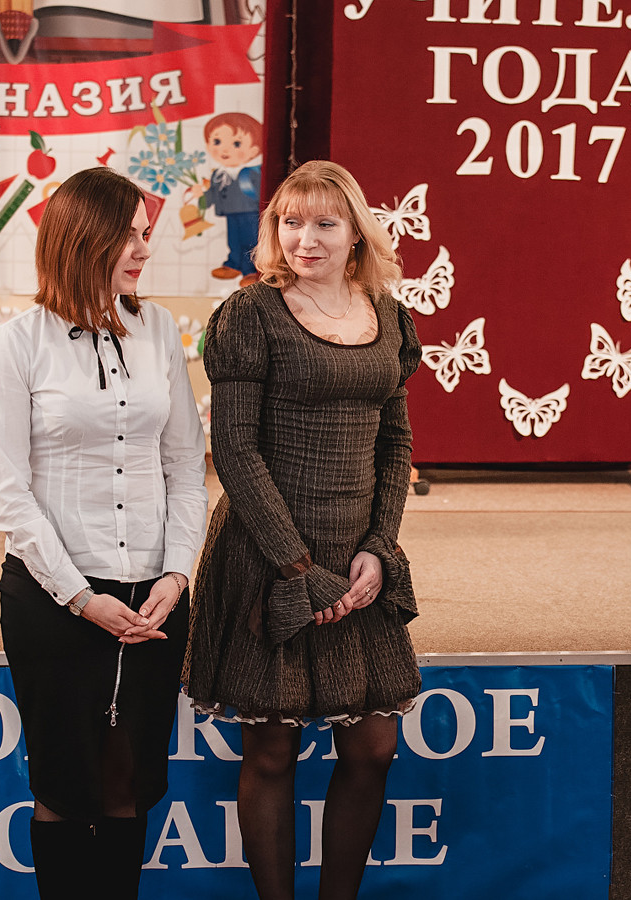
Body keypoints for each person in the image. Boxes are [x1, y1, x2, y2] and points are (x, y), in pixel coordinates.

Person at [184, 159, 421, 900]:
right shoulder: (249, 314)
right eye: (290, 222)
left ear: (356, 233)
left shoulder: (387, 315)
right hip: (269, 555)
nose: (304, 240)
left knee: (373, 747)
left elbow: (395, 443)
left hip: (357, 564)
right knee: (271, 751)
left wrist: (379, 548)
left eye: (324, 223)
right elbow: (235, 450)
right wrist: (297, 567)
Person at [0, 166, 208, 897]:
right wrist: (80, 597)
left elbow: (185, 465)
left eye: (146, 233)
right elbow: (9, 496)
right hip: (54, 600)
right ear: (83, 238)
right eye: (129, 235)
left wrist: (177, 572)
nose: (144, 249)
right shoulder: (16, 343)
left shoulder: (159, 328)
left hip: (153, 598)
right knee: (63, 786)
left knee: (127, 783)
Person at [185, 111, 263, 285]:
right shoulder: (218, 175)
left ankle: (251, 270)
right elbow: (212, 197)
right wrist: (200, 196)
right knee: (233, 240)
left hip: (250, 214)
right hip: (230, 213)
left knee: (251, 241)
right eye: (217, 142)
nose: (225, 150)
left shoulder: (252, 173)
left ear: (254, 150)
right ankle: (233, 264)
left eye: (236, 144)